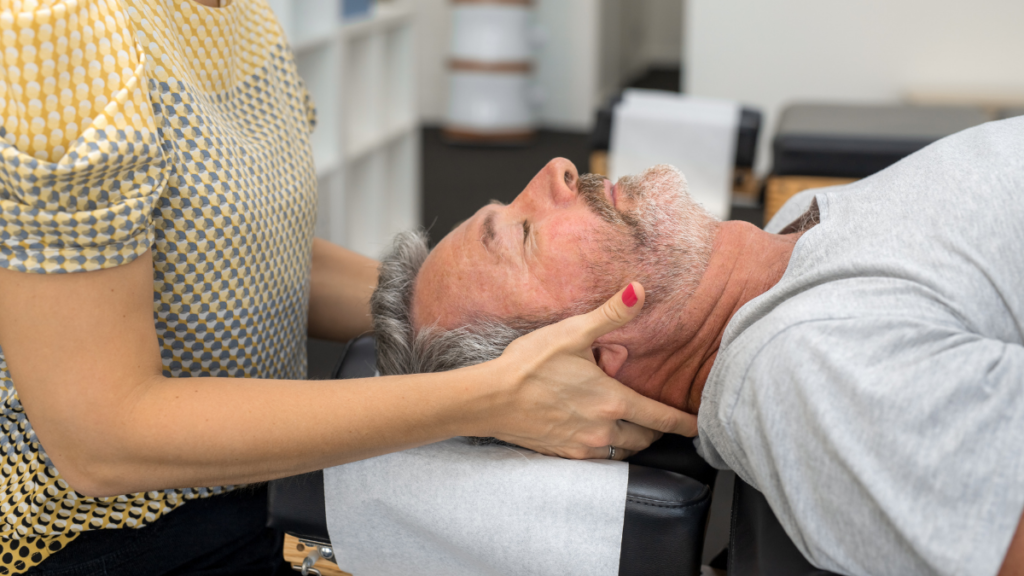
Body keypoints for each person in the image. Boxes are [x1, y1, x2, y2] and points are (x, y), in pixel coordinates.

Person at [0, 0, 696, 573]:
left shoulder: (242, 14)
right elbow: (100, 440)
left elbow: (240, 258)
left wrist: (476, 323)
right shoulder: (58, 25)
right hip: (93, 544)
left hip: (255, 490)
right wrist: (490, 396)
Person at [371, 116, 1024, 576]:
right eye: (523, 234)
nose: (555, 169)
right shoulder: (806, 376)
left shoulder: (772, 263)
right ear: (588, 361)